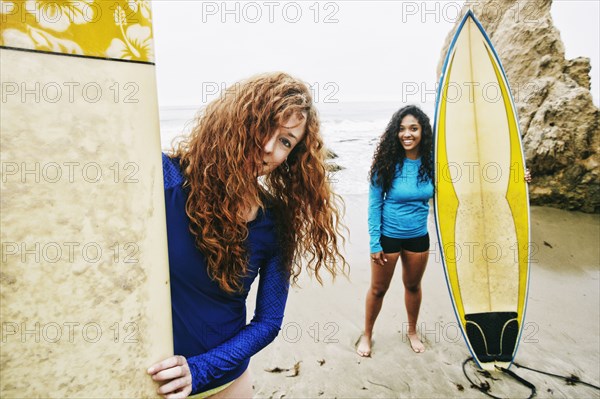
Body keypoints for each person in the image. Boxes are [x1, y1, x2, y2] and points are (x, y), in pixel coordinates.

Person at [147, 72, 347, 398]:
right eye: (267, 126)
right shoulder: (168, 177)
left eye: (285, 142)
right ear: (240, 119)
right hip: (154, 383)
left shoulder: (276, 223)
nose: (269, 148)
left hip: (227, 383)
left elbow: (267, 322)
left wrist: (200, 369)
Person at [356, 105, 434, 357]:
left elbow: (469, 184)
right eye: (401, 129)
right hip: (388, 236)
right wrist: (374, 241)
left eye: (413, 128)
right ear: (395, 133)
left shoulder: (433, 163)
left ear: (423, 131)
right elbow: (374, 202)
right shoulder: (387, 162)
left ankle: (412, 331)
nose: (407, 134)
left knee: (413, 286)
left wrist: (517, 177)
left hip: (418, 236)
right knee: (378, 289)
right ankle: (367, 334)